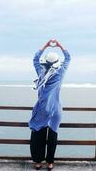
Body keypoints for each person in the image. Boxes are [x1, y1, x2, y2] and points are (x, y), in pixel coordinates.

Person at [29, 39, 71, 170]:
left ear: (45, 62)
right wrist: (59, 45)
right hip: (55, 109)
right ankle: (50, 162)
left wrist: (46, 46)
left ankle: (37, 161)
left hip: (42, 108)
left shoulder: (41, 73)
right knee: (52, 136)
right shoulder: (60, 73)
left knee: (38, 135)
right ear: (57, 63)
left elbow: (35, 59)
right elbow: (68, 58)